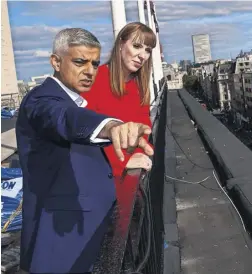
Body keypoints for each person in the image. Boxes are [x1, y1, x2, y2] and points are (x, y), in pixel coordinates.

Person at [16, 28, 153, 274]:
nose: (90, 70)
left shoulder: (73, 99)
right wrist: (110, 127)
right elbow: (66, 119)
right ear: (56, 62)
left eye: (94, 63)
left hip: (87, 229)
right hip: (61, 240)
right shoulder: (41, 99)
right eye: (80, 62)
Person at [83, 22, 156, 178]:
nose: (142, 56)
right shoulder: (94, 80)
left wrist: (137, 153)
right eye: (136, 46)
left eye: (147, 50)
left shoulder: (140, 86)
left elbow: (143, 126)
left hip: (130, 170)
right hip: (100, 174)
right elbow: (85, 130)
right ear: (121, 44)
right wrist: (123, 160)